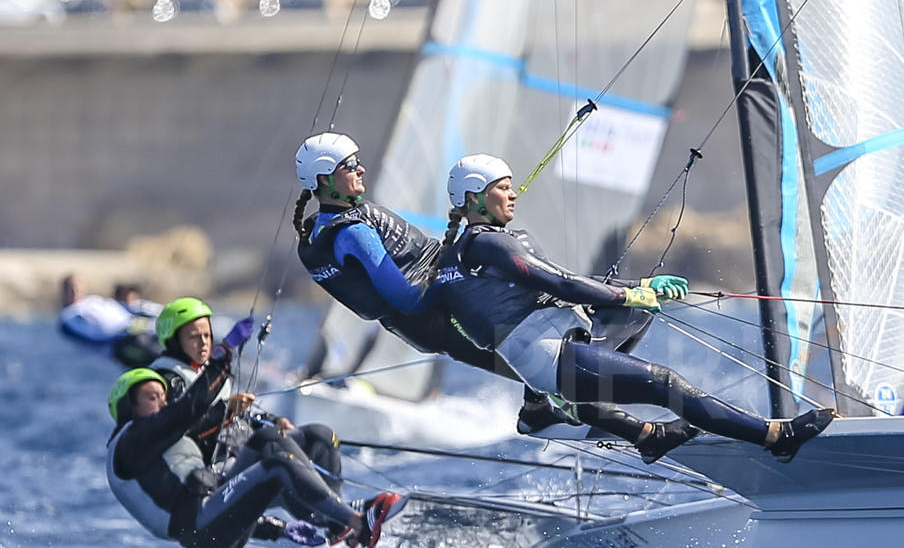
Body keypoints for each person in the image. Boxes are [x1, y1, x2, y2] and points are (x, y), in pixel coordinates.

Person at [434, 154, 834, 462]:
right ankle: (776, 438)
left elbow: (556, 288)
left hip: (553, 349)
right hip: (550, 358)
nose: (514, 193)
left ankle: (606, 422)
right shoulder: (489, 243)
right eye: (503, 187)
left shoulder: (460, 256)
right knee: (665, 384)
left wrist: (640, 291)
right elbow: (560, 282)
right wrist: (629, 293)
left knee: (639, 311)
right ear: (475, 197)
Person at [291, 132, 668, 444]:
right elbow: (407, 297)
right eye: (350, 165)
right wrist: (459, 269)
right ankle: (643, 433)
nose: (360, 169)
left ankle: (547, 411)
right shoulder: (352, 231)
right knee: (553, 371)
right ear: (325, 178)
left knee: (555, 367)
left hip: (436, 315)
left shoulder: (322, 228)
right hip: (439, 318)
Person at [105, 323, 406, 548]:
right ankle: (355, 520)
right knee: (275, 462)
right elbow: (188, 411)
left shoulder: (156, 442)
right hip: (200, 529)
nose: (162, 403)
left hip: (213, 512)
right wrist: (224, 353)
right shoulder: (130, 444)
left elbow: (229, 500)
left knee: (291, 439)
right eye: (151, 398)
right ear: (127, 407)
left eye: (163, 396)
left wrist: (280, 529)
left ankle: (339, 520)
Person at [149, 296, 341, 478]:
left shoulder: (206, 371)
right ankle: (343, 512)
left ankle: (340, 507)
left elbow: (239, 417)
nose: (204, 343)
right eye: (194, 337)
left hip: (240, 449)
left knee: (321, 437)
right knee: (277, 452)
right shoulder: (168, 380)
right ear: (174, 340)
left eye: (207, 335)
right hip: (216, 467)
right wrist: (228, 409)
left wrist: (272, 421)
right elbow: (186, 430)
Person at [58, 274, 162, 367]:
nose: (75, 291)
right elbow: (93, 338)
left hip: (142, 329)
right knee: (161, 357)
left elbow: (125, 308)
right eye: (70, 288)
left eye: (77, 287)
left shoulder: (94, 300)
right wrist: (123, 332)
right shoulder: (68, 317)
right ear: (63, 292)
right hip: (122, 345)